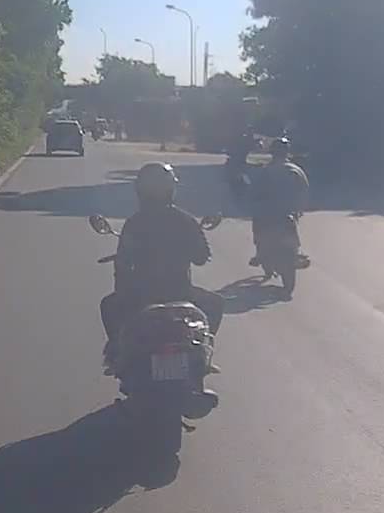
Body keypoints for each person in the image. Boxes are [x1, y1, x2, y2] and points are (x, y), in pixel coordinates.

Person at [100, 162, 226, 376]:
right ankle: (205, 352)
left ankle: (116, 355)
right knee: (216, 303)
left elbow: (123, 263)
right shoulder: (185, 220)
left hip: (141, 295)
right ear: (171, 189)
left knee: (109, 305)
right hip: (181, 293)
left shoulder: (135, 222)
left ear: (140, 191)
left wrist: (124, 288)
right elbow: (201, 257)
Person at [248, 137, 309, 269]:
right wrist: (299, 208)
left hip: (267, 212)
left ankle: (260, 253)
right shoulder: (296, 170)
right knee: (291, 225)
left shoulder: (265, 170)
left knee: (258, 224)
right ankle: (296, 252)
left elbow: (254, 191)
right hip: (287, 211)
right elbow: (304, 189)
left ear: (272, 152)